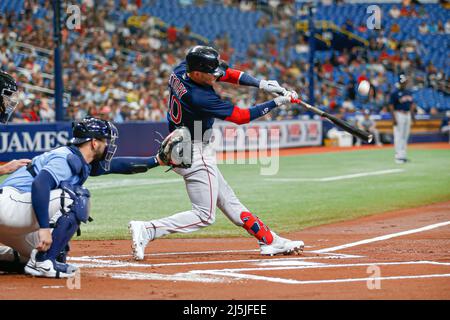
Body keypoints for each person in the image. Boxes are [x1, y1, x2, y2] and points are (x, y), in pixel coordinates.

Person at [128, 45, 304, 261]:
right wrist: (277, 102)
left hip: (182, 144)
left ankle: (269, 240)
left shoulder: (181, 70)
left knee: (229, 201)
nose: (216, 76)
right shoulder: (199, 97)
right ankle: (148, 229)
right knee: (204, 215)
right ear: (198, 73)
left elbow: (227, 72)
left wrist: (261, 84)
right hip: (193, 151)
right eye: (211, 73)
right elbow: (240, 117)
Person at [0, 117, 165, 277]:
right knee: (76, 198)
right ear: (94, 143)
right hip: (9, 205)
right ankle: (43, 262)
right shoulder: (66, 158)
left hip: (11, 219)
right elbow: (40, 185)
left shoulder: (80, 160)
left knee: (58, 252)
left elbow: (118, 165)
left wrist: (157, 160)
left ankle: (8, 257)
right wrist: (44, 228)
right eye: (105, 141)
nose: (108, 145)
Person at [388, 74, 416, 164]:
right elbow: (391, 106)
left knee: (405, 136)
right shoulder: (395, 92)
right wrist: (394, 118)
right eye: (402, 82)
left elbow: (411, 104)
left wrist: (412, 115)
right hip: (399, 114)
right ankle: (398, 156)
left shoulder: (408, 92)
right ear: (399, 82)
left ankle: (403, 156)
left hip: (407, 115)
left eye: (405, 82)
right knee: (398, 136)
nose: (404, 83)